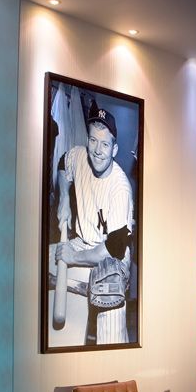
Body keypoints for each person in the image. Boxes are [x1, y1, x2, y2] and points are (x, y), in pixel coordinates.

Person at [51, 101, 134, 345]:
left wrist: (74, 258)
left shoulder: (120, 189)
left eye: (105, 144)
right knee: (37, 264)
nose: (97, 150)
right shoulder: (80, 155)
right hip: (82, 240)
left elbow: (113, 248)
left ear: (114, 149)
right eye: (93, 140)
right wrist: (64, 199)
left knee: (111, 338)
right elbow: (63, 163)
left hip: (112, 258)